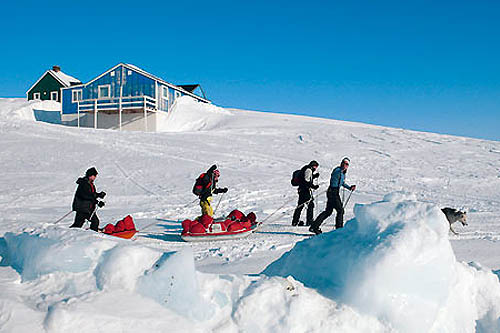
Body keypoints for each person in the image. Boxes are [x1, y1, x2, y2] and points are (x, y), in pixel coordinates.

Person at [310, 157, 356, 234]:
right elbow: (335, 175)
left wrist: (349, 187)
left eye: (347, 164)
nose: (345, 165)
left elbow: (341, 183)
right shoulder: (338, 170)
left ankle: (314, 226)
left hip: (334, 192)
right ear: (342, 163)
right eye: (344, 163)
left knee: (328, 211)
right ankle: (339, 229)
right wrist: (342, 171)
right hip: (333, 192)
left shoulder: (342, 173)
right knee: (340, 210)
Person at [70, 167, 106, 232]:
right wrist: (97, 202)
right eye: (94, 176)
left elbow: (90, 194)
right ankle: (93, 235)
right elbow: (85, 196)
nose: (95, 177)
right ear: (91, 175)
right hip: (83, 208)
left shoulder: (89, 183)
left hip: (87, 208)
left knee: (78, 224)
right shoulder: (84, 184)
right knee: (94, 221)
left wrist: (99, 195)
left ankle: (68, 233)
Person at [291, 160, 320, 226]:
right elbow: (306, 181)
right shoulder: (308, 170)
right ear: (313, 166)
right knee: (310, 205)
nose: (316, 169)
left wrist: (314, 176)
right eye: (316, 167)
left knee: (300, 206)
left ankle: (295, 221)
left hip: (302, 190)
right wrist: (314, 186)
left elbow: (306, 178)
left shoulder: (306, 169)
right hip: (305, 190)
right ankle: (309, 221)